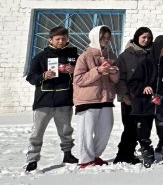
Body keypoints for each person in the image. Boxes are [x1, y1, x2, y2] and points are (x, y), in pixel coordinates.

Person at [24, 26, 79, 172]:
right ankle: (32, 160)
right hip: (43, 101)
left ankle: (68, 154)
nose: (61, 41)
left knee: (66, 131)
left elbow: (83, 75)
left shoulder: (74, 56)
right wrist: (43, 76)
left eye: (63, 38)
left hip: (64, 100)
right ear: (50, 40)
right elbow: (30, 77)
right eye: (57, 39)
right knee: (37, 133)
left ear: (67, 39)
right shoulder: (40, 57)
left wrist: (74, 71)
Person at [72, 25, 120, 168]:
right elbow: (78, 79)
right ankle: (85, 159)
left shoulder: (111, 56)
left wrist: (113, 72)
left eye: (108, 38)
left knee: (106, 129)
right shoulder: (84, 56)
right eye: (102, 37)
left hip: (106, 99)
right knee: (86, 131)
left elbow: (115, 80)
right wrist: (98, 70)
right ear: (94, 37)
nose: (106, 40)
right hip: (87, 100)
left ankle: (95, 155)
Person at [125, 34, 163, 168]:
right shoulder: (145, 62)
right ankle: (146, 150)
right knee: (143, 130)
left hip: (160, 103)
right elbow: (133, 82)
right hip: (144, 103)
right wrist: (143, 87)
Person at [113, 27, 153, 164]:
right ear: (137, 38)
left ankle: (142, 151)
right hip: (130, 97)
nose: (146, 40)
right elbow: (120, 78)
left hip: (146, 98)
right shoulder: (125, 56)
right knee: (130, 127)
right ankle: (124, 154)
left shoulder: (151, 54)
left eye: (148, 38)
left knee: (143, 128)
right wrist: (124, 95)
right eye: (143, 37)